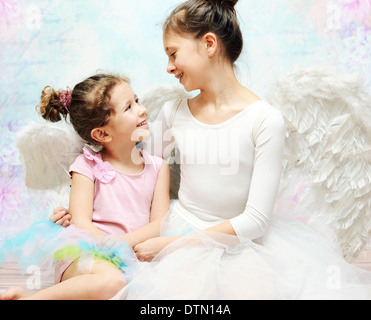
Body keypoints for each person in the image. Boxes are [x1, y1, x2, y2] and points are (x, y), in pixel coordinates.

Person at [50, 0, 371, 299]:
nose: (169, 67)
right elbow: (139, 175)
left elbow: (255, 220)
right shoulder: (174, 113)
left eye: (173, 54)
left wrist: (172, 244)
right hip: (180, 224)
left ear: (208, 44)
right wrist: (82, 211)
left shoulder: (265, 120)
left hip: (241, 241)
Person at [0, 74, 170, 300]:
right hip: (85, 252)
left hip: (133, 254)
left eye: (137, 100)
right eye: (129, 107)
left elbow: (160, 222)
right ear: (102, 134)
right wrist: (112, 248)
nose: (142, 110)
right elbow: (81, 223)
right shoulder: (87, 165)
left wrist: (125, 244)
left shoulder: (158, 168)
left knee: (140, 287)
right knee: (113, 281)